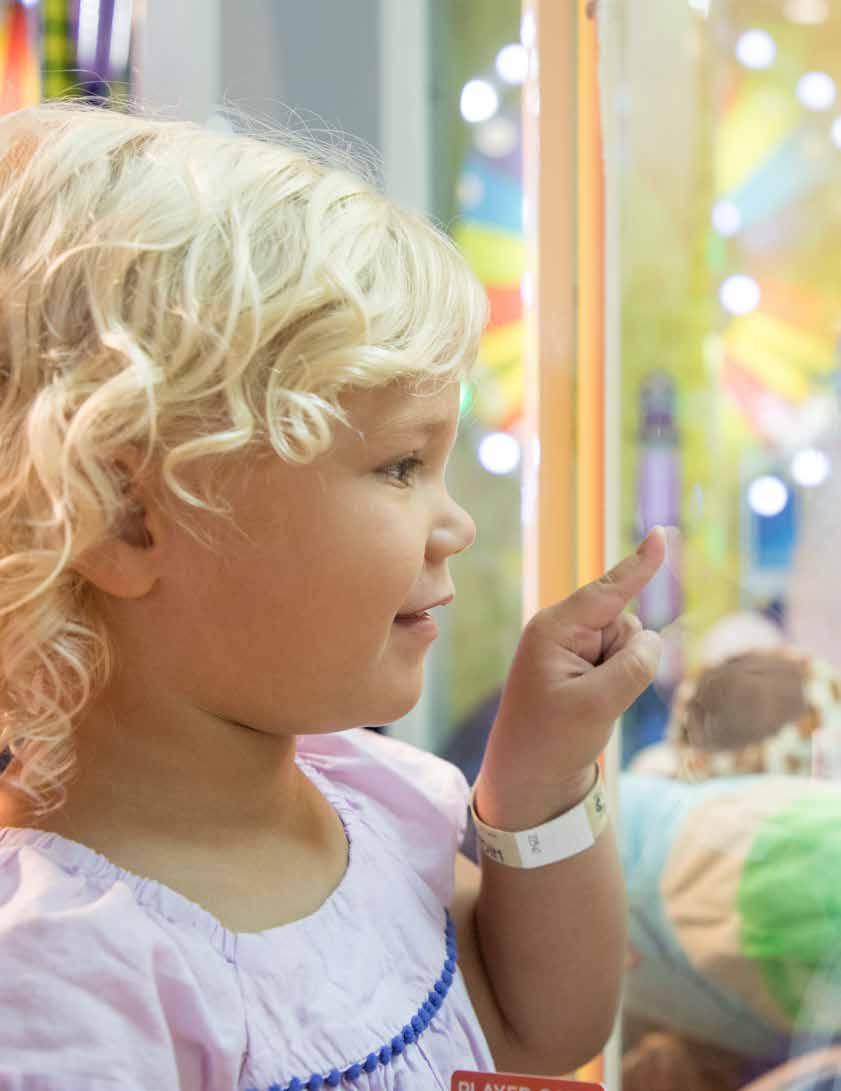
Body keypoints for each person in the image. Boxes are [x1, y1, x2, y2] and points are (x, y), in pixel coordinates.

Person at [0, 101, 665, 1091]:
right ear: (124, 516)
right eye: (400, 465)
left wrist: (538, 775)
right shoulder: (59, 980)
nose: (455, 523)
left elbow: (541, 1026)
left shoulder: (374, 798)